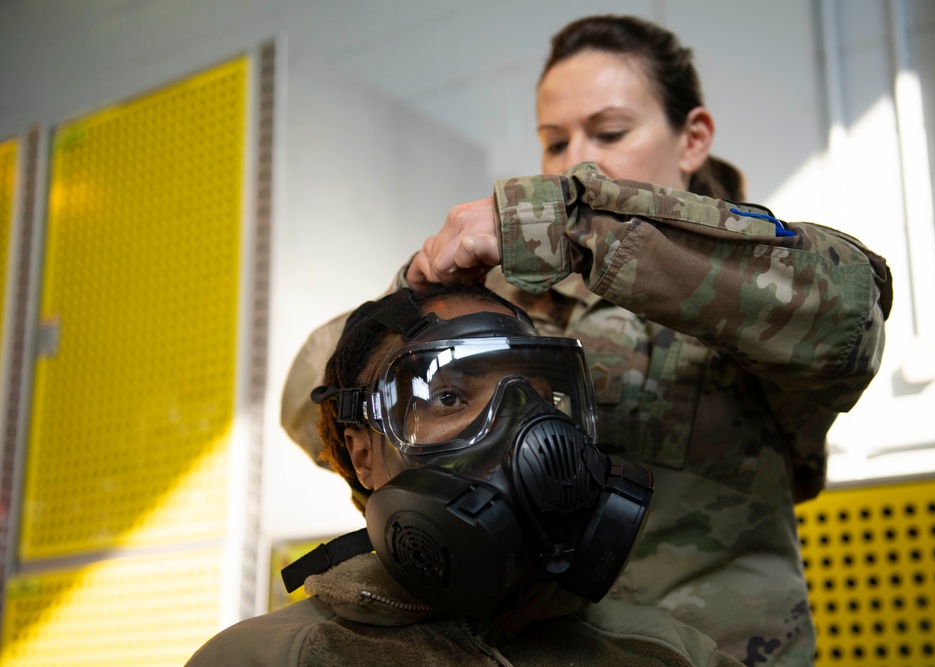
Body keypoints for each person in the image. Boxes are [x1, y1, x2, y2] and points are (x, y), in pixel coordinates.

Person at [281, 15, 893, 666]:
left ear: (693, 139)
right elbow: (306, 398)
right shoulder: (506, 299)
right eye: (553, 142)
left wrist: (559, 222)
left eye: (609, 132)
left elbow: (849, 310)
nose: (574, 161)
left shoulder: (751, 293)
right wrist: (416, 305)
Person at [190, 284, 744, 667]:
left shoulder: (669, 652)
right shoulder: (267, 658)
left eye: (539, 397)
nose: (523, 430)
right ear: (363, 457)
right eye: (449, 396)